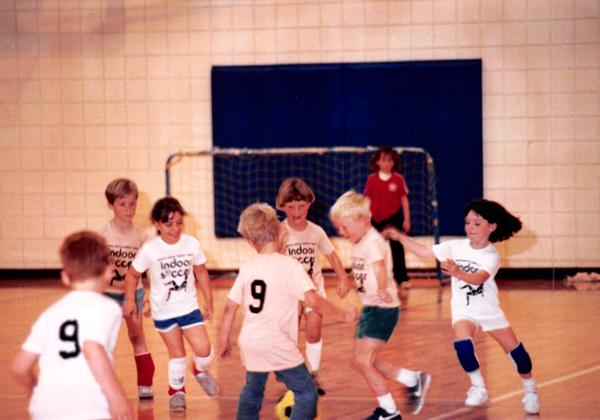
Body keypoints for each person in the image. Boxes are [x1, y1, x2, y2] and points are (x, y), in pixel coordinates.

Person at [383, 198, 540, 415]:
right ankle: (478, 387)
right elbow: (425, 251)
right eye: (467, 223)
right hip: (463, 310)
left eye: (477, 223)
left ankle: (530, 389)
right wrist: (400, 237)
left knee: (517, 354)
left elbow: (477, 279)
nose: (470, 228)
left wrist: (457, 272)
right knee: (463, 346)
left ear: (491, 227)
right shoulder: (455, 246)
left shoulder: (491, 256)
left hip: (488, 311)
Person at [219, 203, 356, 420]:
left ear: (249, 241)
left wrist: (224, 340)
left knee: (253, 390)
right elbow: (313, 300)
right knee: (306, 392)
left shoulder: (247, 267)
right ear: (280, 233)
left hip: (250, 341)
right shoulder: (290, 266)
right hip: (277, 342)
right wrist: (343, 314)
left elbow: (229, 308)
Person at [329, 191, 431, 419]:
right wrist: (350, 283)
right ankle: (412, 379)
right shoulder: (359, 242)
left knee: (363, 361)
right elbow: (364, 272)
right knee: (365, 361)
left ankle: (389, 411)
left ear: (361, 220)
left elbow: (378, 268)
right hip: (371, 309)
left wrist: (383, 288)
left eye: (343, 227)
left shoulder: (373, 242)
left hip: (382, 310)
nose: (340, 232)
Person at [11, 231, 133, 420]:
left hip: (45, 410)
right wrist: (117, 397)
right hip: (89, 408)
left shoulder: (50, 314)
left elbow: (19, 367)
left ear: (65, 277)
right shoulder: (107, 307)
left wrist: (34, 390)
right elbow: (92, 349)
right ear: (109, 271)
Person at [123, 196, 219, 412]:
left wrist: (209, 301)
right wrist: (130, 299)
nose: (175, 228)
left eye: (179, 222)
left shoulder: (192, 244)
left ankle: (200, 371)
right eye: (168, 224)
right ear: (157, 224)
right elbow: (131, 275)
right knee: (177, 354)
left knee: (204, 350)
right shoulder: (150, 249)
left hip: (189, 308)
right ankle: (177, 392)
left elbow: (201, 272)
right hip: (164, 312)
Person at [275, 177, 351, 395]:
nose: (297, 211)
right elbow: (274, 261)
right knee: (289, 334)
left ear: (309, 204)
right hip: (290, 293)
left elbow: (332, 257)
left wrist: (343, 278)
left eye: (301, 206)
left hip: (314, 290)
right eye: (291, 207)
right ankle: (290, 374)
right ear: (282, 207)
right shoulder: (280, 233)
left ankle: (314, 373)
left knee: (314, 332)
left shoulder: (316, 231)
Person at [100, 178, 155, 400]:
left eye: (132, 204)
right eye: (122, 204)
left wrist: (149, 294)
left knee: (137, 336)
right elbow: (99, 268)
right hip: (107, 295)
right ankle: (102, 385)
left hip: (134, 294)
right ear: (110, 205)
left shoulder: (141, 237)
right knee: (105, 339)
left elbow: (148, 271)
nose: (128, 209)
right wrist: (115, 283)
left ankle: (145, 383)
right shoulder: (102, 235)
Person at [364, 146, 411, 289]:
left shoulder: (398, 179)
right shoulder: (372, 180)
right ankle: (371, 277)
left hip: (394, 217)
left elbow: (404, 200)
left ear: (393, 162)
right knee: (374, 248)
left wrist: (407, 219)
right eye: (383, 160)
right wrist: (366, 219)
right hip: (375, 218)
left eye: (390, 160)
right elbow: (367, 200)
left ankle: (401, 278)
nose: (387, 163)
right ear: (378, 162)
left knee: (397, 248)